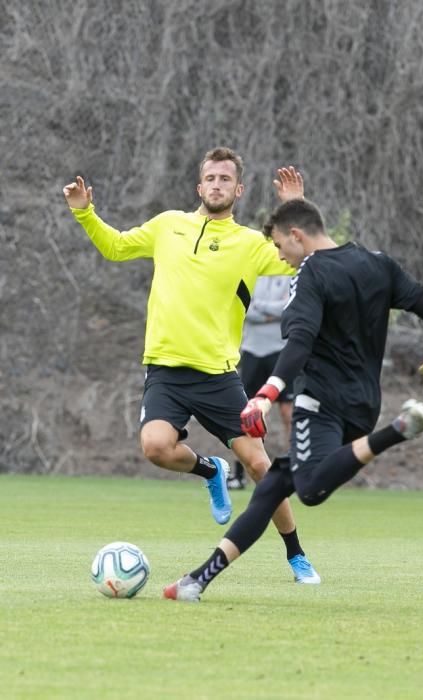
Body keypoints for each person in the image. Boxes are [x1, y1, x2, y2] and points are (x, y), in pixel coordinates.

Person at [162, 197, 423, 602]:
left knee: (310, 488)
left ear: (296, 236)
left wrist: (266, 395)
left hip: (320, 402)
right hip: (363, 405)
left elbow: (299, 342)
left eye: (282, 248)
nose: (282, 259)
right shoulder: (378, 263)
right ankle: (196, 581)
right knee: (273, 486)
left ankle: (400, 429)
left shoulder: (311, 273)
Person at [63, 150, 320, 584]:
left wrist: (297, 208)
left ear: (238, 191)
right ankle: (211, 470)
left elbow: (307, 256)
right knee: (155, 447)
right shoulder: (167, 225)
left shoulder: (252, 244)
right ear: (199, 186)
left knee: (261, 467)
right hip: (164, 370)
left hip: (218, 376)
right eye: (210, 178)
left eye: (225, 179)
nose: (217, 184)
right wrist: (85, 213)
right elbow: (116, 246)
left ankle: (296, 554)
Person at [228, 275, 293, 490]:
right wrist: (269, 312)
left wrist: (261, 307)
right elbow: (245, 308)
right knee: (247, 413)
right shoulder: (251, 274)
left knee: (288, 413)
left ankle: (296, 471)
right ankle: (239, 475)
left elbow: (288, 307)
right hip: (252, 351)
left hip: (280, 352)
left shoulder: (288, 272)